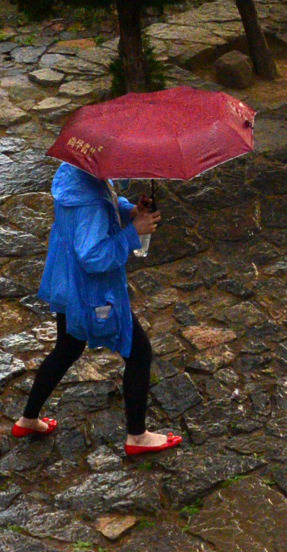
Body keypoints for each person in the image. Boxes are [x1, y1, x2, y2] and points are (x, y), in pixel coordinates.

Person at [13, 159, 180, 456]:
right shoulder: (89, 203)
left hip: (68, 282)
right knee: (139, 351)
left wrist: (129, 211)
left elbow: (105, 200)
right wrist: (133, 233)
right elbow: (93, 256)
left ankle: (28, 418)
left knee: (67, 348)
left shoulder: (76, 173)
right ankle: (137, 436)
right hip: (91, 292)